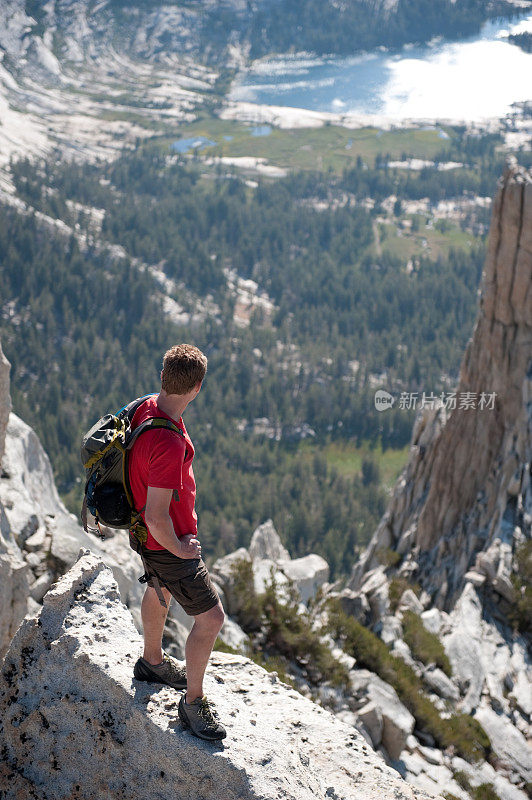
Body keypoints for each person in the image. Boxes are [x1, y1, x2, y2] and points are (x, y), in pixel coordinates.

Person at [128, 343, 226, 741]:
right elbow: (156, 515)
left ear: (163, 376)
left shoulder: (147, 406)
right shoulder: (167, 442)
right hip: (164, 539)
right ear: (197, 387)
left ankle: (152, 661)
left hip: (144, 535)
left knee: (158, 585)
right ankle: (192, 702)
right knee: (211, 618)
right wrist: (180, 547)